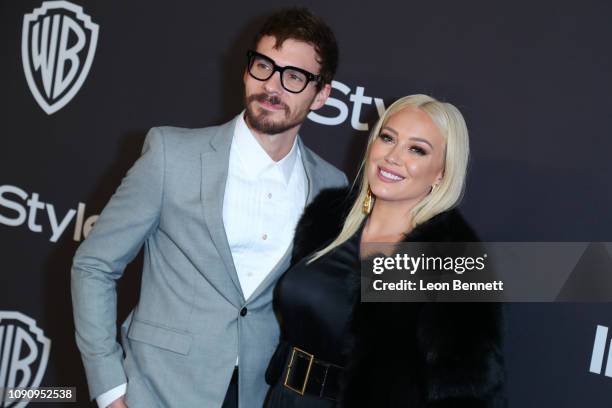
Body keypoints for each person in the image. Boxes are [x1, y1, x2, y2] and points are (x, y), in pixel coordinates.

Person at [71, 8, 347, 408]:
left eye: (294, 77)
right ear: (246, 69)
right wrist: (110, 388)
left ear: (321, 94)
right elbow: (94, 266)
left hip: (260, 394)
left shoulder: (332, 186)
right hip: (157, 388)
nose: (272, 86)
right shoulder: (171, 155)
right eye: (263, 66)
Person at [265, 94, 506, 407]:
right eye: (388, 138)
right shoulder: (326, 220)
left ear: (440, 174)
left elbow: (468, 392)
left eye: (417, 149)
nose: (393, 156)